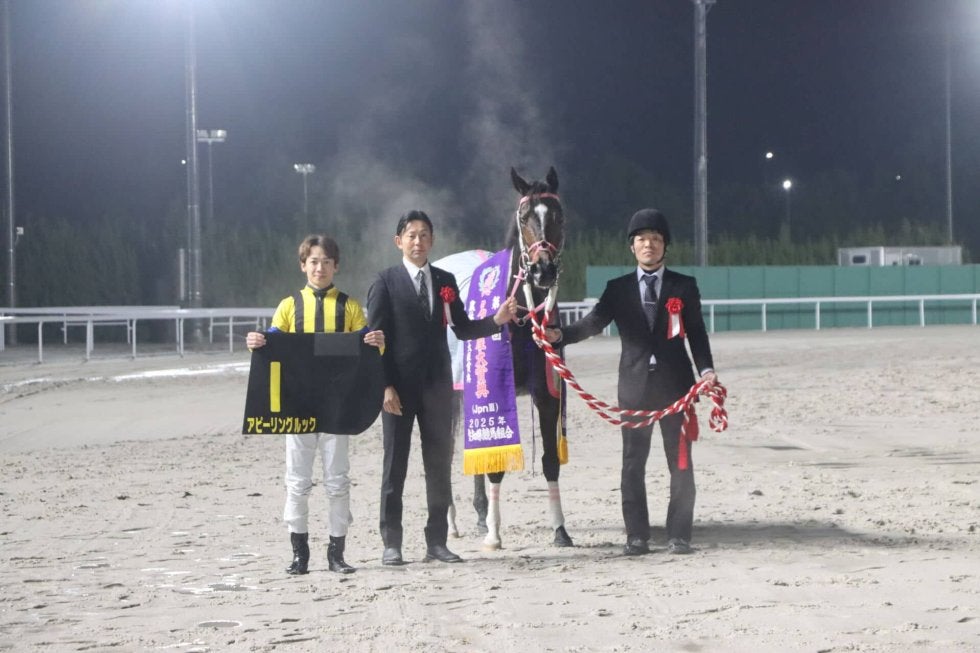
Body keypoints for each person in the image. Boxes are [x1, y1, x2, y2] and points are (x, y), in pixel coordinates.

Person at [545, 209, 717, 556]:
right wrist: (560, 335)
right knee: (632, 464)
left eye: (655, 239)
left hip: (676, 388)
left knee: (681, 462)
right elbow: (592, 323)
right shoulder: (617, 289)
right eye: (642, 239)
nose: (648, 245)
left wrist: (706, 370)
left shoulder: (684, 286)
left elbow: (697, 333)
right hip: (634, 388)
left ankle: (679, 535)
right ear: (632, 247)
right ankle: (636, 536)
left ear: (665, 245)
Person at [367, 210, 518, 565]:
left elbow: (463, 328)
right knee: (395, 466)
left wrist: (496, 320)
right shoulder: (385, 282)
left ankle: (436, 542)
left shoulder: (445, 280)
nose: (417, 241)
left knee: (438, 465)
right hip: (398, 390)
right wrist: (384, 386)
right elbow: (375, 340)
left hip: (438, 388)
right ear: (399, 241)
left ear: (432, 240)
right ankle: (392, 542)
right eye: (411, 235)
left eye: (424, 235)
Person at [246, 234, 385, 575]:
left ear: (336, 266)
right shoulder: (288, 305)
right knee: (297, 482)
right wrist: (256, 342)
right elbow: (271, 345)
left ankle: (337, 554)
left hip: (338, 409)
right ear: (303, 265)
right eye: (313, 261)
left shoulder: (350, 307)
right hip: (298, 408)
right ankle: (300, 555)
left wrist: (377, 341)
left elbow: (368, 351)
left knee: (338, 481)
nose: (319, 268)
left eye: (326, 262)